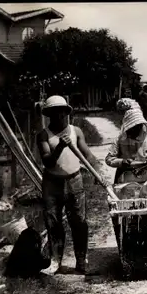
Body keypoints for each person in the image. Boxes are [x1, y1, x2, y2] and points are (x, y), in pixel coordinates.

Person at [36, 95, 106, 274]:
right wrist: (59, 147)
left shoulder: (76, 131)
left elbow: (88, 155)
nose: (59, 116)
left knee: (79, 222)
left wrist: (98, 172)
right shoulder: (44, 135)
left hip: (74, 180)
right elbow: (48, 162)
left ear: (66, 113)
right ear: (49, 114)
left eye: (62, 112)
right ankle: (55, 261)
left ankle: (81, 260)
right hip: (52, 183)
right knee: (53, 222)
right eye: (55, 112)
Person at [106, 108, 147, 184]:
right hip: (124, 178)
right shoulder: (120, 140)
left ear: (141, 126)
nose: (135, 130)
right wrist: (122, 162)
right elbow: (109, 159)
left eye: (137, 127)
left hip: (145, 178)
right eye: (132, 128)